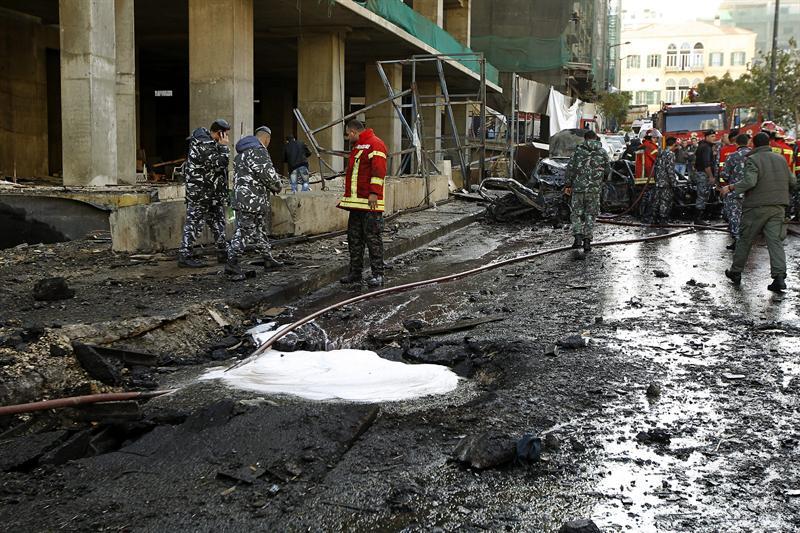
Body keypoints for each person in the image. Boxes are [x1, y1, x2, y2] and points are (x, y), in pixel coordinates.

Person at [721, 132, 797, 292]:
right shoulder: (781, 159)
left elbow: (750, 181)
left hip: (756, 207)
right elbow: (793, 182)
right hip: (778, 207)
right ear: (768, 143)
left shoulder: (753, 159)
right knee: (774, 241)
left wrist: (731, 187)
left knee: (745, 239)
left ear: (753, 144)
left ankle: (736, 272)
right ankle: (779, 278)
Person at [225, 126, 283, 281]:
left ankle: (267, 258)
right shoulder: (258, 151)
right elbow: (267, 174)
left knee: (259, 230)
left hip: (244, 198)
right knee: (245, 231)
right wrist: (277, 186)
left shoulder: (242, 153)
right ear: (266, 138)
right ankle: (232, 262)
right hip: (252, 200)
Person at [337, 119, 388, 288]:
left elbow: (379, 170)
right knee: (354, 239)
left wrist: (374, 193)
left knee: (373, 239)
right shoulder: (358, 146)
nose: (347, 137)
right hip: (356, 204)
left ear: (353, 132)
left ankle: (378, 274)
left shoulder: (375, 144)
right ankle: (355, 273)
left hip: (369, 203)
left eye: (347, 134)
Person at [178, 119, 231, 268]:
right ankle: (184, 255)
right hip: (200, 193)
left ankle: (223, 251)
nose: (226, 137)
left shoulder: (210, 143)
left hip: (211, 192)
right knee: (194, 223)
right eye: (225, 134)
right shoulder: (203, 144)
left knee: (218, 222)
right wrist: (224, 147)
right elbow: (219, 163)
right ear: (219, 133)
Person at [564, 130, 610, 252]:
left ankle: (578, 238)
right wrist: (601, 181)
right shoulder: (602, 152)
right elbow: (607, 170)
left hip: (578, 189)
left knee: (576, 213)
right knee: (590, 214)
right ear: (596, 138)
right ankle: (587, 241)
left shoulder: (578, 151)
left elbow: (570, 169)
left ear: (585, 139)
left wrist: (568, 185)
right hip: (594, 190)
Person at [719, 133, 751, 250]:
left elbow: (724, 175)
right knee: (748, 217)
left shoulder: (732, 156)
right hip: (752, 193)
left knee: (734, 217)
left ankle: (738, 241)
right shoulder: (755, 155)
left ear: (736, 143)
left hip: (735, 192)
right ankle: (746, 241)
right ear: (748, 142)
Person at [649, 136, 679, 225]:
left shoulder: (661, 153)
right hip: (666, 182)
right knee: (665, 201)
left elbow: (656, 167)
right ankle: (663, 219)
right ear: (673, 144)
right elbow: (670, 170)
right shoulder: (671, 154)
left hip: (658, 181)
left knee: (656, 201)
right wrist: (674, 183)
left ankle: (653, 219)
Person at [692, 129, 717, 223]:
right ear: (706, 137)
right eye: (712, 136)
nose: (714, 138)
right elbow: (707, 164)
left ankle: (699, 218)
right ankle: (698, 219)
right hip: (703, 174)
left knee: (703, 196)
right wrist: (711, 176)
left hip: (700, 173)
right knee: (702, 196)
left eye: (714, 136)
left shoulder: (702, 145)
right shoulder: (706, 147)